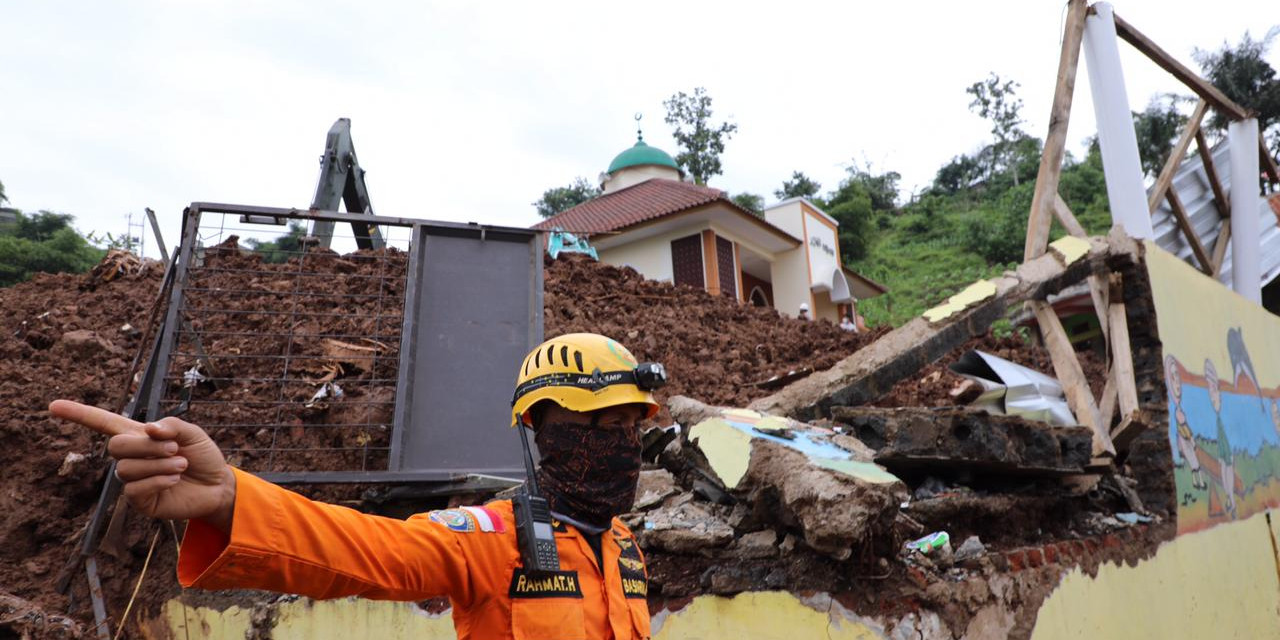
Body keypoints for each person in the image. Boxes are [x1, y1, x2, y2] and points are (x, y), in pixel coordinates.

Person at [50, 332, 660, 640]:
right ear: (542, 430)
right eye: (605, 424)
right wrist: (233, 499)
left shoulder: (624, 546)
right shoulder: (492, 537)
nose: (624, 442)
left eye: (633, 425)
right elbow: (368, 551)